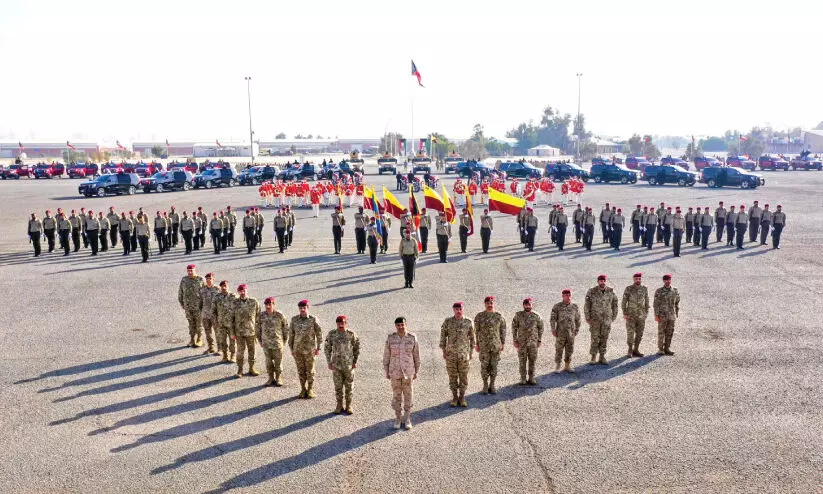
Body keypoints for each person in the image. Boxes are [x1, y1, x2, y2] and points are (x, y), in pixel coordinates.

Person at [383, 316, 420, 430]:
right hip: (394, 372)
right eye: (398, 325)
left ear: (406, 324)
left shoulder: (412, 338)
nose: (400, 327)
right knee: (396, 396)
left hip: (408, 372)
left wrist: (416, 371)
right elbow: (386, 355)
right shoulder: (391, 338)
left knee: (408, 396)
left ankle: (407, 418)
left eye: (402, 325)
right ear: (395, 326)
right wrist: (386, 370)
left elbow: (416, 355)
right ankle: (398, 418)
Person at [440, 302, 475, 407]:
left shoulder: (468, 322)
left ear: (463, 309)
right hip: (451, 354)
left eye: (460, 309)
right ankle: (455, 397)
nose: (458, 311)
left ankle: (462, 397)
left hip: (464, 355)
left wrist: (471, 353)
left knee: (463, 376)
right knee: (452, 376)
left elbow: (473, 338)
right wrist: (444, 351)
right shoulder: (448, 321)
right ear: (453, 310)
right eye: (456, 309)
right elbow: (443, 337)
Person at [324, 315, 360, 415]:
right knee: (338, 387)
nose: (341, 324)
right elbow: (327, 348)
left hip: (348, 365)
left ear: (346, 323)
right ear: (336, 323)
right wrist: (329, 362)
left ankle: (349, 405)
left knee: (349, 387)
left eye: (342, 322)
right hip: (336, 365)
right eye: (339, 323)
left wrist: (355, 361)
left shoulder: (351, 334)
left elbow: (357, 347)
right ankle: (339, 405)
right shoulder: (332, 334)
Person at [288, 300, 323, 399]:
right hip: (297, 350)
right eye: (300, 308)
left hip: (310, 350)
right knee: (301, 370)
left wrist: (318, 348)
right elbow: (291, 335)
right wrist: (291, 349)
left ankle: (310, 389)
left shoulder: (313, 319)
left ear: (308, 307)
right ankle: (303, 389)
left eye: (304, 308)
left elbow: (319, 334)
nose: (302, 310)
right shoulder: (294, 320)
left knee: (310, 370)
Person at [473, 296, 506, 394]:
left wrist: (502, 343)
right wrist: (476, 344)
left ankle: (492, 385)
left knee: (494, 366)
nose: (489, 304)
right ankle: (485, 385)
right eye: (487, 303)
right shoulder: (479, 316)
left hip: (495, 346)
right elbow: (475, 331)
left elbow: (503, 330)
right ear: (485, 304)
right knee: (484, 366)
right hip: (484, 346)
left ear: (493, 303)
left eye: (491, 303)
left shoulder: (499, 316)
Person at [584, 274, 618, 365]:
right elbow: (587, 305)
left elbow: (615, 304)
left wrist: (613, 317)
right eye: (600, 281)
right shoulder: (592, 291)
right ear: (598, 281)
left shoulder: (611, 291)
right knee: (595, 338)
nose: (602, 282)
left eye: (604, 281)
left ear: (605, 281)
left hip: (607, 319)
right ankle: (593, 357)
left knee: (604, 338)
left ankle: (602, 357)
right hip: (595, 319)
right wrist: (587, 317)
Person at [257, 296, 289, 386]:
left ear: (273, 304)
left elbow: (286, 328)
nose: (268, 306)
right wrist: (259, 340)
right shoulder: (261, 316)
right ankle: (270, 378)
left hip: (277, 343)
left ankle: (278, 378)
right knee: (268, 362)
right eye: (266, 305)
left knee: (278, 362)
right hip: (266, 344)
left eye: (270, 304)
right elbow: (258, 328)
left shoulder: (280, 315)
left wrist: (284, 341)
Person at [512, 297, 544, 385]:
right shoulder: (518, 315)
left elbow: (541, 328)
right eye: (526, 304)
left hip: (533, 342)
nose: (527, 306)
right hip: (522, 342)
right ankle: (523, 378)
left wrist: (539, 340)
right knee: (522, 360)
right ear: (523, 305)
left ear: (531, 305)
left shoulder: (536, 316)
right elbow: (514, 328)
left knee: (532, 360)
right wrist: (515, 340)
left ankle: (531, 377)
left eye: (529, 304)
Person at [231, 284, 261, 378]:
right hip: (239, 332)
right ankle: (240, 370)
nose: (242, 292)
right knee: (240, 352)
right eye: (240, 291)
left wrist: (258, 331)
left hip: (251, 332)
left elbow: (259, 317)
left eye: (244, 290)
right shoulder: (235, 303)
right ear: (238, 292)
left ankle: (252, 368)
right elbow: (231, 319)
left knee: (252, 351)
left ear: (246, 290)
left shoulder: (254, 302)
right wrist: (232, 333)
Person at [550, 289, 581, 372]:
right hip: (560, 332)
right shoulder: (557, 306)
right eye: (566, 295)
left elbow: (578, 319)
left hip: (571, 332)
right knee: (559, 349)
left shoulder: (574, 306)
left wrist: (577, 328)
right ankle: (557, 366)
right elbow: (552, 319)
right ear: (563, 296)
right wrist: (553, 329)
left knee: (569, 349)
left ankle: (567, 366)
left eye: (569, 295)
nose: (568, 297)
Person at [621, 273, 649, 357]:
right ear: (633, 279)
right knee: (630, 333)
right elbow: (624, 301)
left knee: (640, 333)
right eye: (636, 278)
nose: (638, 280)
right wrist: (625, 313)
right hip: (631, 315)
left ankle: (636, 349)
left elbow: (647, 301)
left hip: (641, 315)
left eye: (639, 278)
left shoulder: (644, 288)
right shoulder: (629, 289)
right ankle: (630, 350)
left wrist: (646, 313)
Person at [178, 264, 204, 348]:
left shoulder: (200, 279)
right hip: (188, 306)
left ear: (195, 270)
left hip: (198, 306)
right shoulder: (184, 280)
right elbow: (180, 292)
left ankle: (199, 339)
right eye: (188, 271)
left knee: (199, 323)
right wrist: (181, 302)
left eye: (191, 270)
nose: (189, 272)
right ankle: (192, 339)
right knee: (191, 323)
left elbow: (205, 293)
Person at [653, 274, 680, 356]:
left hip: (671, 315)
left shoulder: (675, 290)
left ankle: (667, 348)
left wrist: (677, 311)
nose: (668, 281)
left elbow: (677, 301)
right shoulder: (659, 291)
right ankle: (660, 349)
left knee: (670, 332)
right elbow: (656, 304)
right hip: (662, 315)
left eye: (669, 280)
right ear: (663, 281)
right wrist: (656, 315)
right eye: (666, 280)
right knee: (661, 332)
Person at [212, 281, 237, 362]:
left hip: (231, 324)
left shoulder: (233, 296)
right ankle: (225, 356)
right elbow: (213, 311)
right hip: (221, 323)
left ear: (228, 286)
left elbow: (238, 308)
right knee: (223, 341)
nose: (224, 287)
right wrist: (216, 322)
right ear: (220, 287)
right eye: (222, 286)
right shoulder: (217, 297)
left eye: (225, 286)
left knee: (232, 341)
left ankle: (233, 356)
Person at [199, 273, 219, 354]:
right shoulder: (202, 289)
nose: (208, 281)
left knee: (217, 332)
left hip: (215, 315)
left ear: (213, 279)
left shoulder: (217, 289)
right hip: (205, 315)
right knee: (208, 332)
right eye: (207, 279)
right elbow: (200, 302)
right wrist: (202, 312)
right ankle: (211, 347)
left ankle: (220, 348)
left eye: (210, 279)